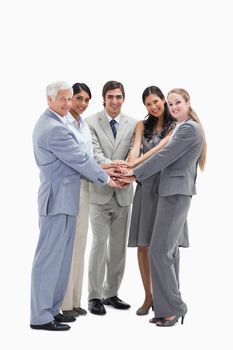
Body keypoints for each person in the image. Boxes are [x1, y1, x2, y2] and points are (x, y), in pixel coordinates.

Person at [30, 81, 122, 331]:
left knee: (61, 259)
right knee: (49, 259)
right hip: (57, 201)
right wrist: (106, 178)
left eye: (69, 99)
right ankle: (40, 316)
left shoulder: (59, 123)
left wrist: (104, 168)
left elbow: (81, 160)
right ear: (49, 100)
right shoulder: (53, 128)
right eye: (63, 99)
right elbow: (80, 159)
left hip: (66, 200)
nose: (68, 104)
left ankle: (51, 309)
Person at [120, 88, 207, 326]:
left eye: (178, 102)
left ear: (188, 103)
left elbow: (163, 157)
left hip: (174, 193)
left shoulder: (188, 128)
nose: (173, 107)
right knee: (167, 252)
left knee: (159, 251)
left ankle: (175, 307)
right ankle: (166, 307)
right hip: (171, 192)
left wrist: (134, 174)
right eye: (171, 104)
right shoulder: (182, 127)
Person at [87, 80, 137, 315]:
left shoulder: (134, 124)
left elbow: (134, 153)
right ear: (104, 99)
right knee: (98, 245)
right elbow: (95, 154)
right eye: (110, 97)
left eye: (118, 97)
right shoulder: (91, 123)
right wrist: (118, 168)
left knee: (118, 248)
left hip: (124, 194)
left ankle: (111, 293)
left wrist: (126, 171)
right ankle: (94, 296)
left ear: (123, 98)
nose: (114, 101)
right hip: (100, 192)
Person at [127, 86, 175, 316]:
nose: (153, 107)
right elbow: (136, 149)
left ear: (163, 100)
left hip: (165, 188)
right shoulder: (141, 125)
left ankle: (168, 297)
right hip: (144, 189)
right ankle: (148, 296)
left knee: (165, 246)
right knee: (143, 245)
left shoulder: (175, 125)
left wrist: (132, 168)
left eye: (156, 101)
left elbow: (159, 152)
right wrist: (129, 163)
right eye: (148, 104)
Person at [60, 83, 93, 317]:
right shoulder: (62, 124)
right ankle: (62, 304)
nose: (82, 104)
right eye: (78, 98)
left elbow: (89, 158)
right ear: (70, 99)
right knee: (66, 247)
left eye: (86, 100)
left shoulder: (85, 125)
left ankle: (74, 301)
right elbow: (76, 159)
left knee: (80, 245)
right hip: (69, 187)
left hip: (86, 186)